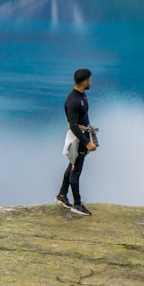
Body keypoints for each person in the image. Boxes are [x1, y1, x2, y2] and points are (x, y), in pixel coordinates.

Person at [56, 68, 96, 216]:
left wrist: (89, 135)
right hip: (77, 139)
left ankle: (61, 195)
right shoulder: (72, 100)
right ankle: (77, 204)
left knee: (72, 166)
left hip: (82, 135)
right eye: (90, 80)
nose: (91, 82)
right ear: (84, 81)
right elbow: (73, 126)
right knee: (76, 170)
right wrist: (86, 142)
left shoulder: (82, 96)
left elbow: (82, 120)